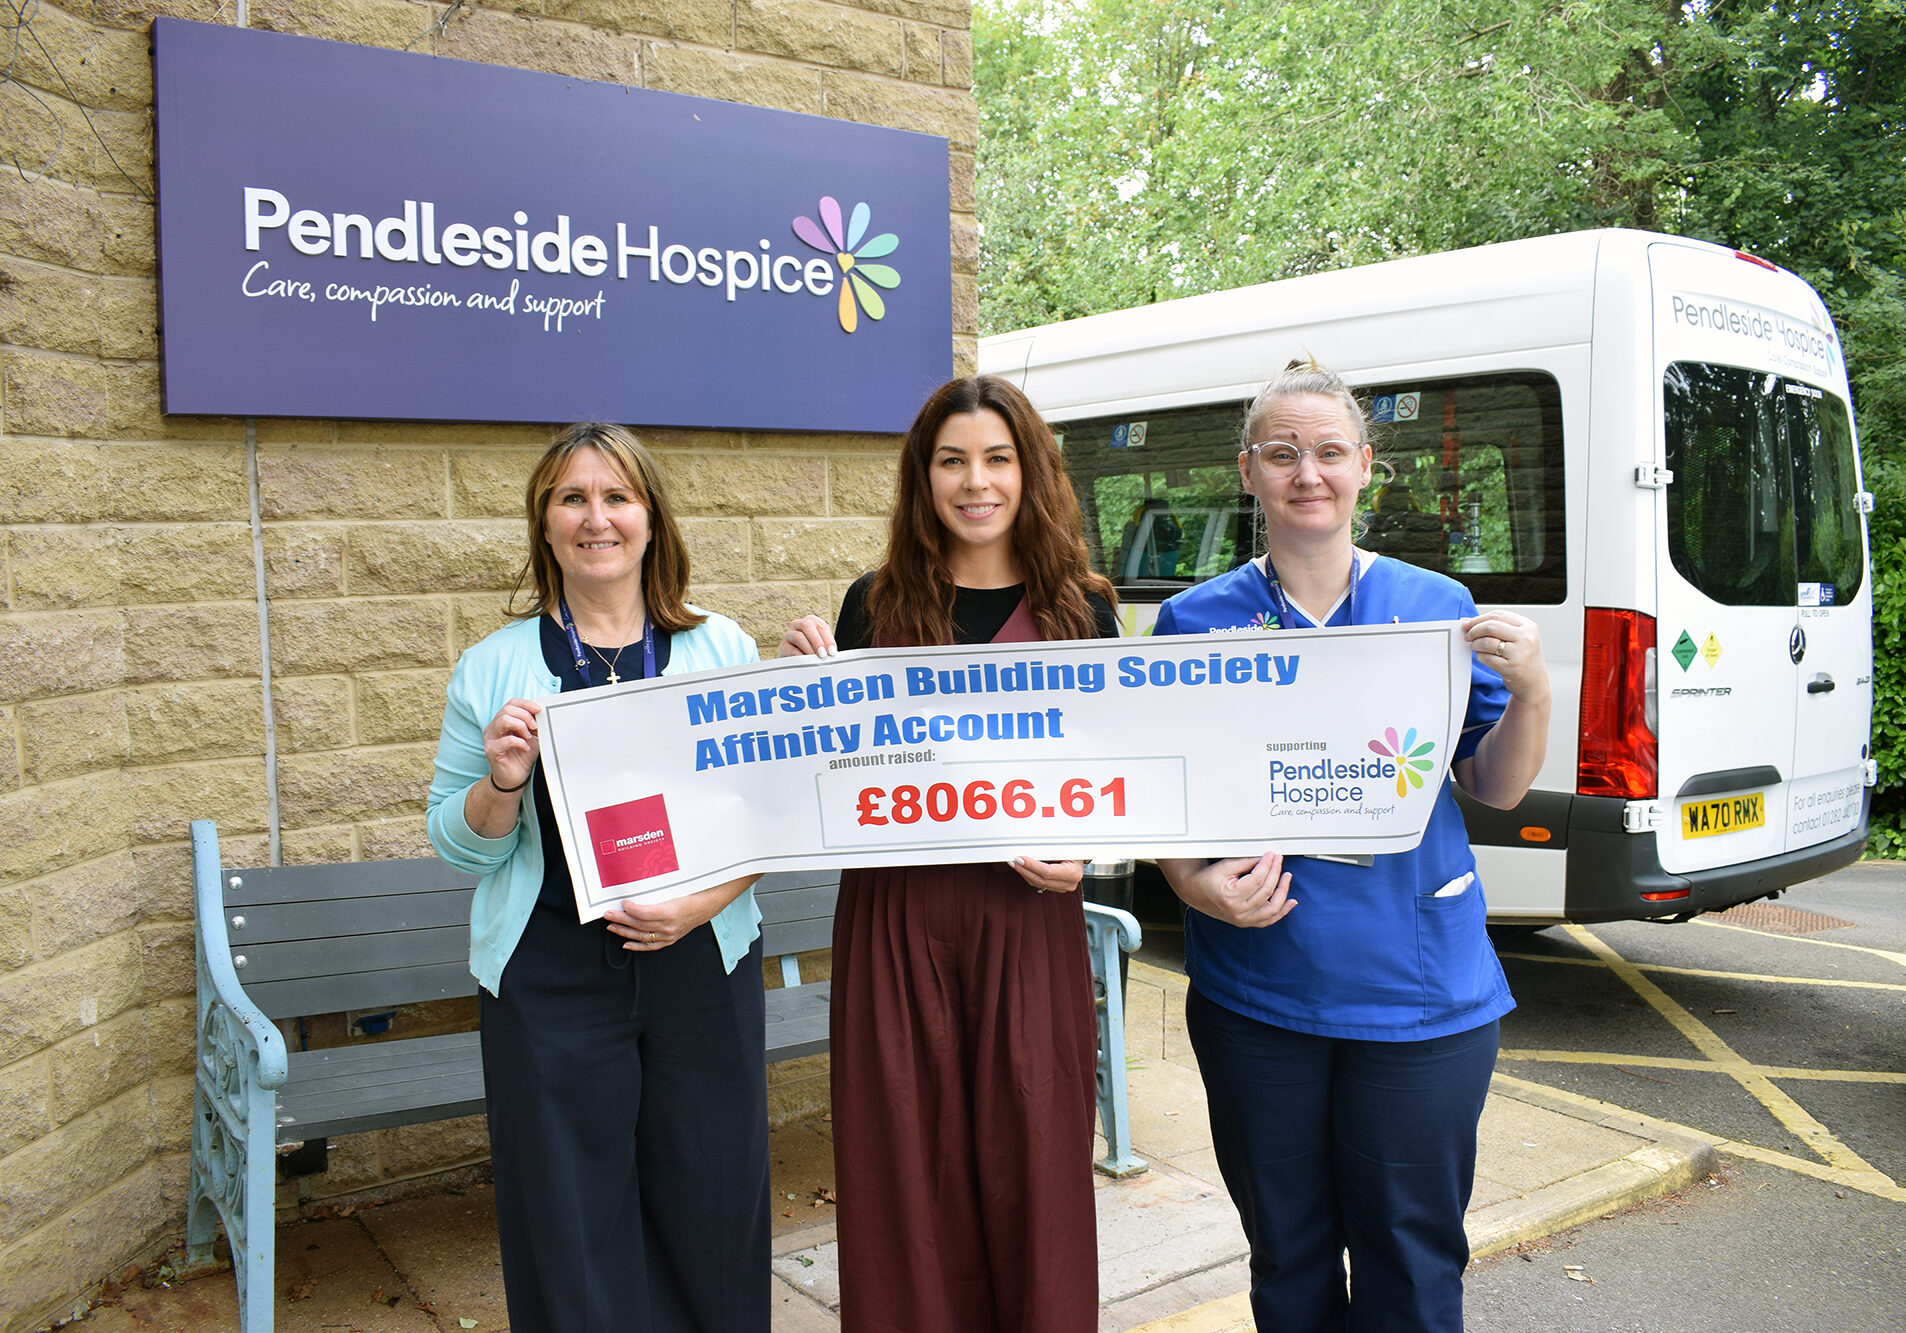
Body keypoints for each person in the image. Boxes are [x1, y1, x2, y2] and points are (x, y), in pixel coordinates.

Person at [1152, 359, 1550, 1333]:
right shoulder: (1190, 621)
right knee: (1286, 1253)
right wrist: (1191, 887)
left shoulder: (1432, 609)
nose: (1307, 473)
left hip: (1418, 997)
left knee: (1409, 1258)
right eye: (1282, 453)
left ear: (1366, 467)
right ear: (1248, 471)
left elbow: (1492, 786)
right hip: (1260, 993)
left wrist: (1535, 688)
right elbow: (1165, 798)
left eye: (1329, 451)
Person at [779, 375, 1119, 1333]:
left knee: (1036, 1167)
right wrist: (807, 697)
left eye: (998, 459)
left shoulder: (1082, 610)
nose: (977, 481)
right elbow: (828, 783)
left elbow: (1123, 780)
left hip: (1029, 918)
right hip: (896, 920)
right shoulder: (872, 605)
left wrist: (1088, 859)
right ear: (923, 477)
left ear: (1031, 471)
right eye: (953, 460)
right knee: (905, 1173)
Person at [425, 423, 770, 1333]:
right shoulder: (494, 667)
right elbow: (460, 844)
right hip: (551, 973)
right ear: (545, 525)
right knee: (568, 1214)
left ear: (652, 519)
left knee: (713, 1194)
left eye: (616, 497)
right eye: (572, 499)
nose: (596, 518)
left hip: (700, 958)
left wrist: (692, 909)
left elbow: (763, 813)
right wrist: (501, 783)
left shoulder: (720, 649)